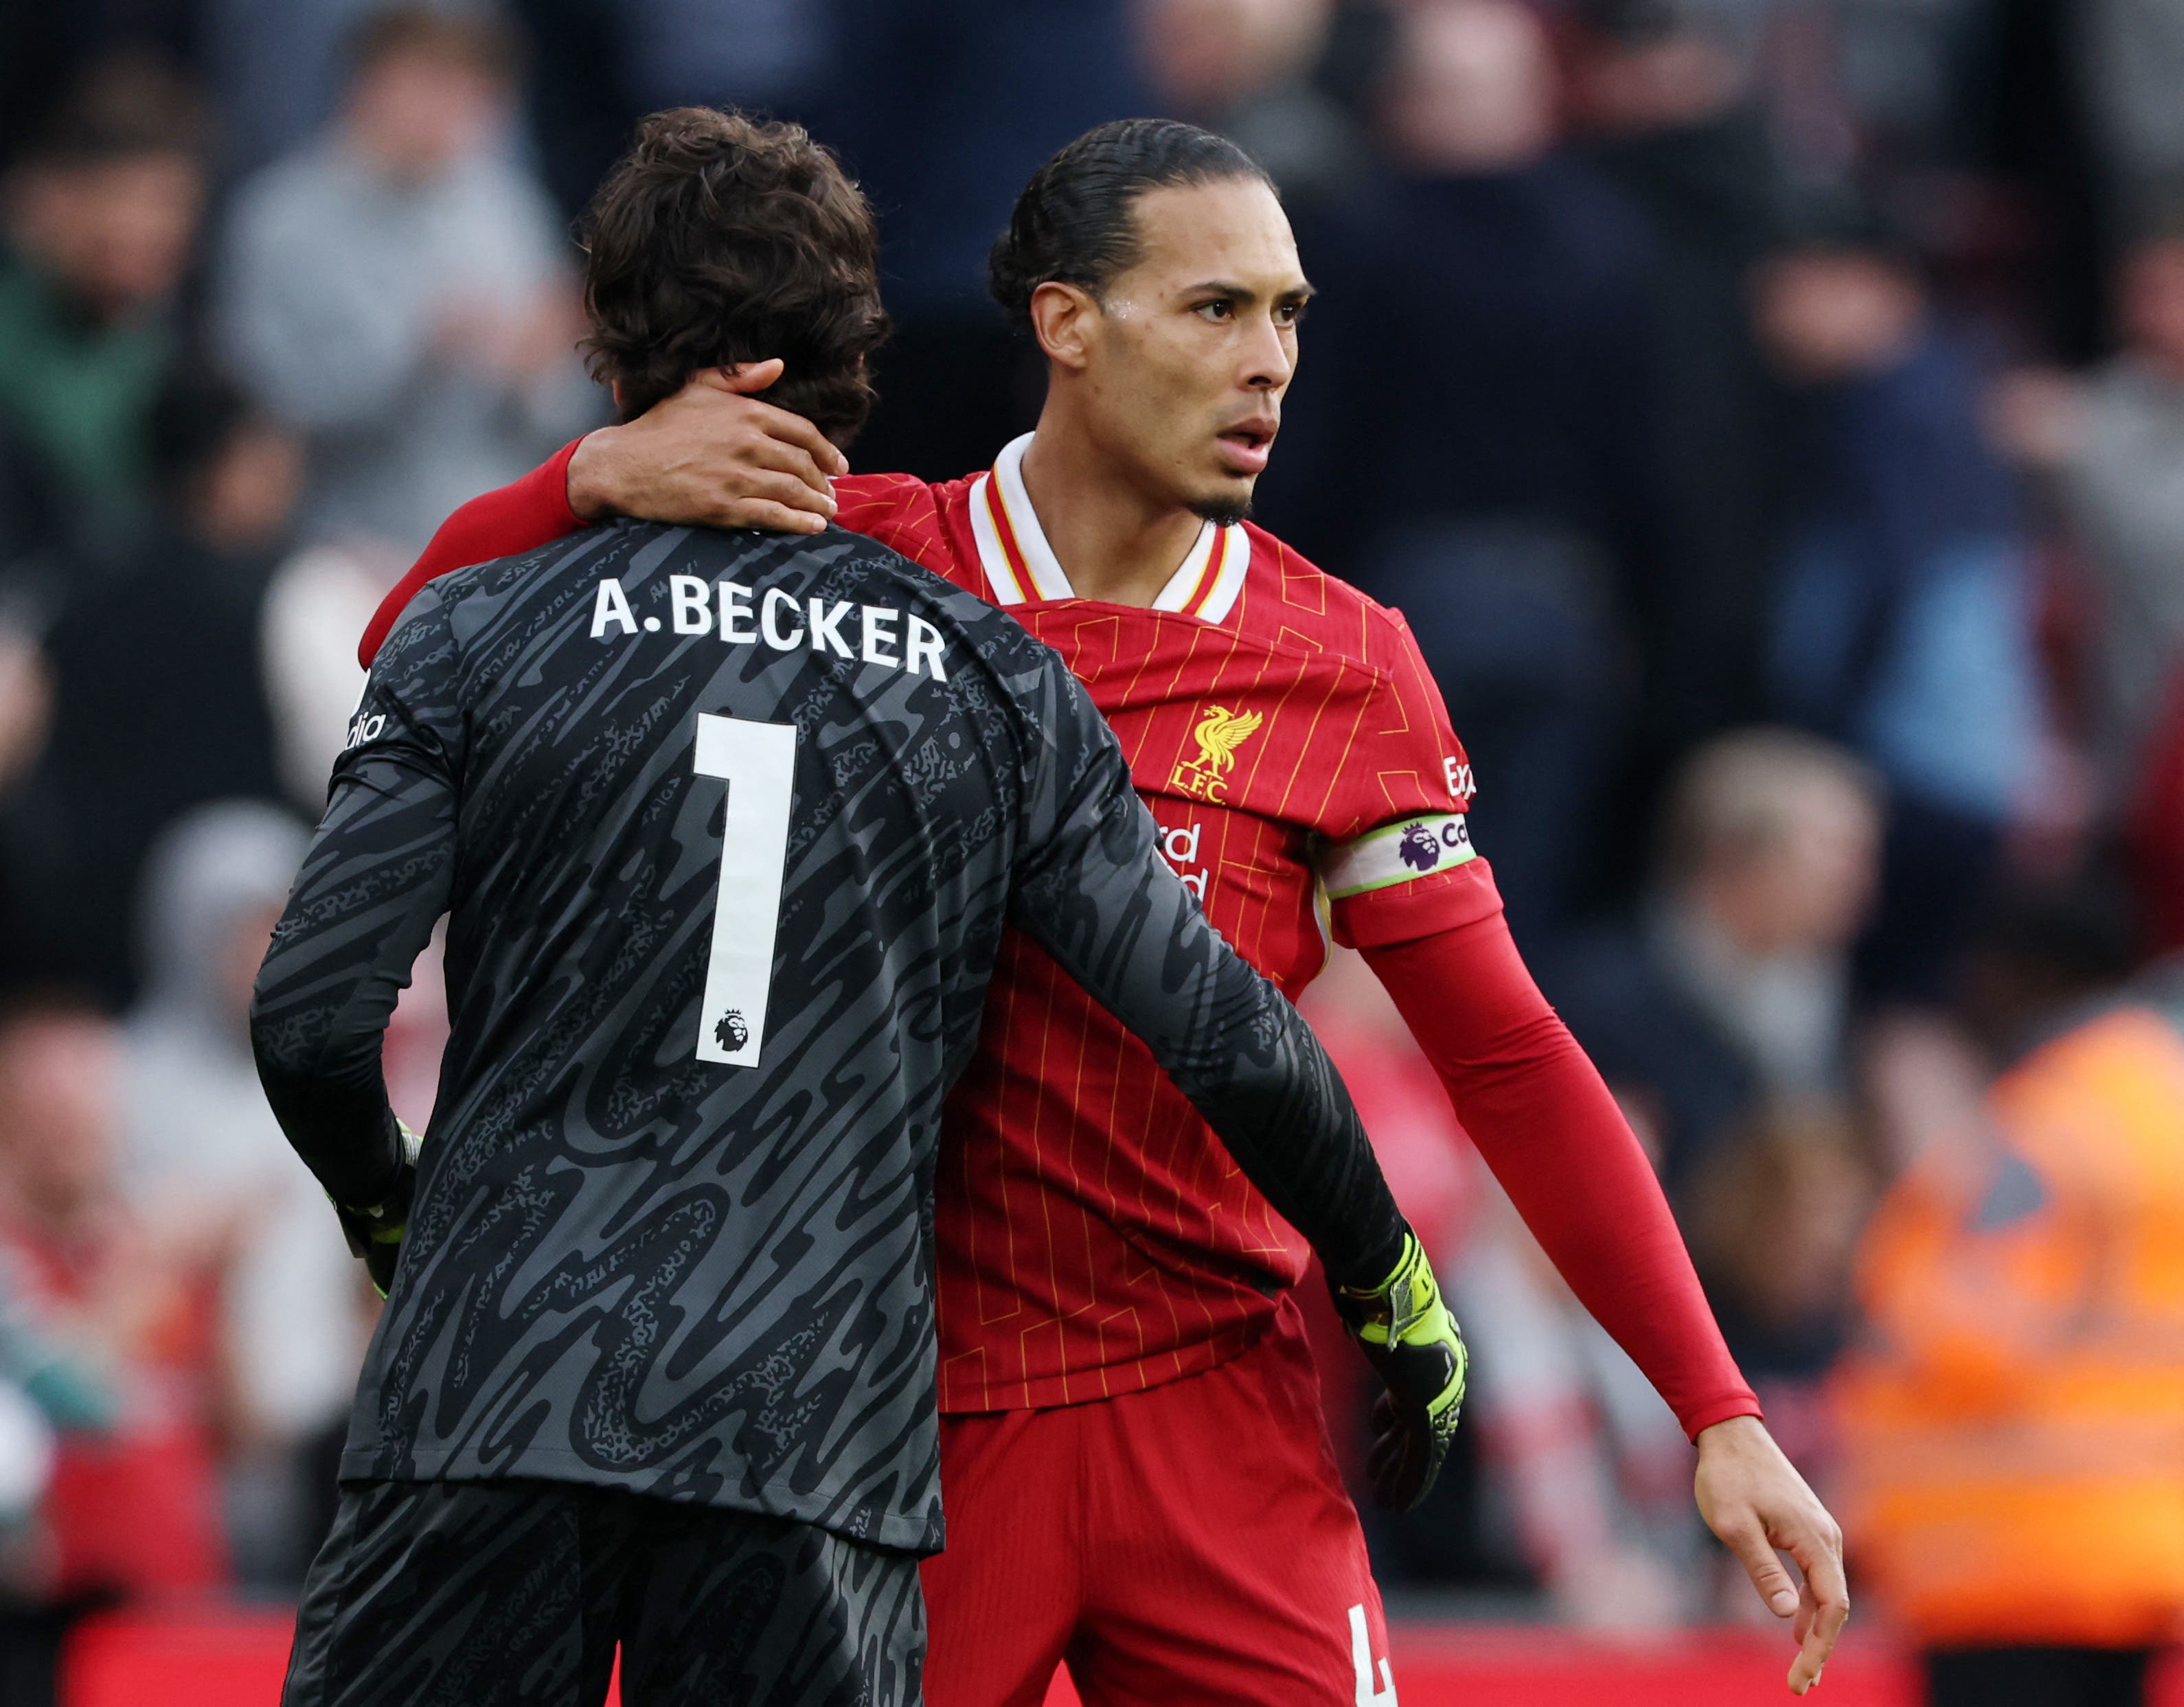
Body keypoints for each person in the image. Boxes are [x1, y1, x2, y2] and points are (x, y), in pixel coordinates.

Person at [361, 118, 1848, 1699]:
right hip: (886, 1430)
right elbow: (412, 647)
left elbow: (1510, 1058)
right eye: (1216, 308)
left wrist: (1717, 1408)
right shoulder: (844, 566)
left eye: (1287, 315)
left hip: (1219, 1418)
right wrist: (585, 477)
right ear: (1067, 322)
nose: (1269, 361)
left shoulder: (1341, 668)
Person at [252, 108, 1455, 1707]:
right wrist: (1386, 1278)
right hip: (811, 1431)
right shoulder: (990, 676)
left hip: (494, 1382)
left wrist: (395, 1223)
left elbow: (312, 1020)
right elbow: (1226, 1033)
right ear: (848, 356)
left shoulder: (480, 623)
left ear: (613, 347)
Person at [214, 7, 600, 557]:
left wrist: (539, 369)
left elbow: (565, 412)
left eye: (473, 91)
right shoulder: (278, 220)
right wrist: (420, 356)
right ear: (365, 84)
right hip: (343, 543)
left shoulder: (506, 208)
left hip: (503, 536)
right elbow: (267, 413)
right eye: (431, 84)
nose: (451, 110)